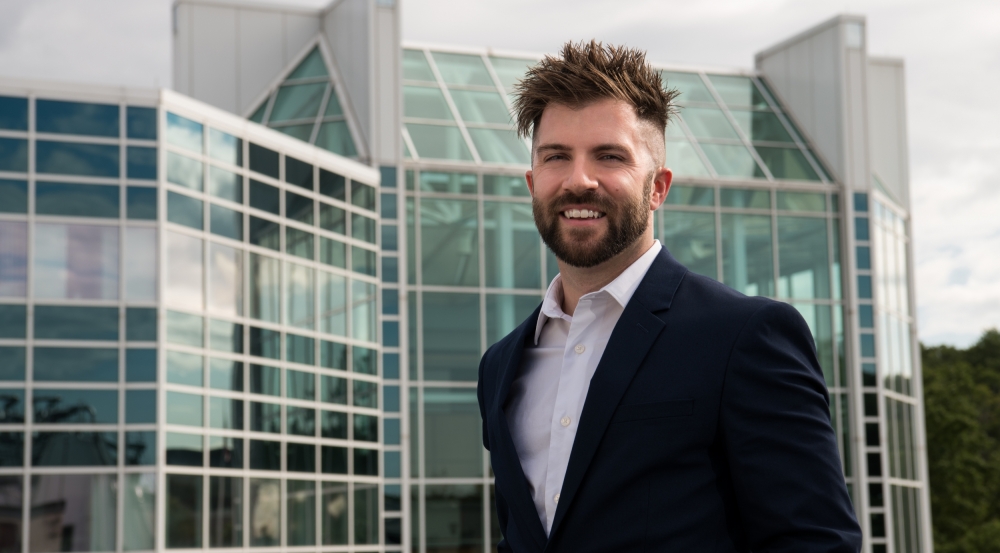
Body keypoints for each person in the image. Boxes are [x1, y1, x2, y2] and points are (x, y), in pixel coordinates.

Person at [477, 40, 862, 552]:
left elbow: (816, 542)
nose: (579, 180)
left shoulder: (744, 336)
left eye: (609, 156)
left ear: (657, 187)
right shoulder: (500, 365)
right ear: (532, 183)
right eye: (556, 157)